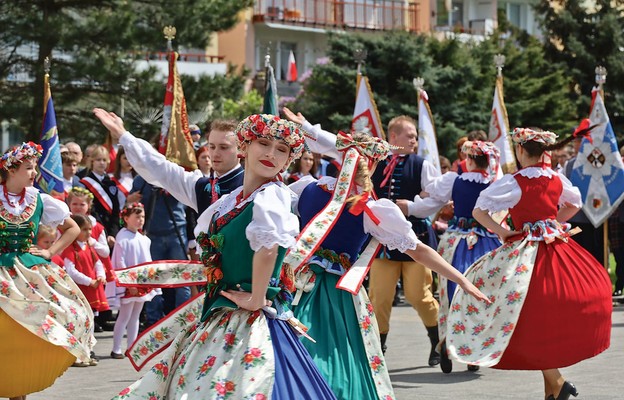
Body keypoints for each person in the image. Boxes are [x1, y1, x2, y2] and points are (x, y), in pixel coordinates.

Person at [94, 109, 337, 399]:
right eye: (212, 147)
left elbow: (269, 244)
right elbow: (160, 169)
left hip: (252, 318)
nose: (271, 153)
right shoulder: (223, 198)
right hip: (221, 313)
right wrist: (124, 136)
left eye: (281, 149)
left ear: (239, 148)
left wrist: (257, 298)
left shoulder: (277, 193)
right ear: (247, 147)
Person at [281, 121, 489, 399]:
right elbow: (418, 249)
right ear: (374, 166)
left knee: (292, 353)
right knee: (334, 362)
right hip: (335, 295)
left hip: (294, 283)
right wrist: (461, 279)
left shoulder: (307, 188)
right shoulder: (368, 208)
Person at [447, 127, 612, 400]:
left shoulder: (514, 181)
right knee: (541, 316)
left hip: (525, 254)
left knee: (525, 317)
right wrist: (554, 221)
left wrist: (501, 231)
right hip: (557, 248)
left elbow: (479, 210)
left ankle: (557, 383)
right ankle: (553, 390)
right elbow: (575, 203)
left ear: (521, 150)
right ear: (543, 151)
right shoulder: (556, 179)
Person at [0, 142, 93, 400]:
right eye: (28, 168)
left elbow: (72, 228)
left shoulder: (38, 199)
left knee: (34, 327)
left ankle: (19, 390)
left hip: (28, 271)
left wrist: (51, 253)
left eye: (35, 168)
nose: (33, 173)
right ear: (10, 170)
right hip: (1, 270)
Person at [417, 140, 502, 373]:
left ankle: (446, 344)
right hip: (487, 242)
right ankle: (473, 350)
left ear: (470, 160)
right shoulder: (494, 184)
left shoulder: (454, 179)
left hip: (457, 242)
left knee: (450, 294)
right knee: (482, 294)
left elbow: (431, 191)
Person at [368, 115, 442, 366]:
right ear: (393, 137)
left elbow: (437, 198)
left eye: (415, 136)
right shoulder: (376, 161)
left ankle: (438, 341)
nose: (414, 140)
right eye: (409, 135)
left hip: (415, 238)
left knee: (418, 295)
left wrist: (410, 206)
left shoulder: (421, 164)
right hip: (382, 241)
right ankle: (379, 348)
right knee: (379, 297)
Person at [110, 202, 158, 359]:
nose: (141, 220)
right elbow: (120, 262)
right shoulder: (122, 238)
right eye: (137, 217)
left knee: (136, 315)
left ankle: (131, 347)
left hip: (141, 281)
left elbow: (147, 260)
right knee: (124, 315)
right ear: (126, 218)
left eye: (142, 216)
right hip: (129, 283)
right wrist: (128, 283)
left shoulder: (144, 239)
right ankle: (116, 348)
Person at [79, 145, 123, 246]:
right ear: (92, 161)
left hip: (111, 231)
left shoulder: (111, 183)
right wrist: (104, 233)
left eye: (104, 160)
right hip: (95, 228)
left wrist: (113, 233)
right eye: (98, 159)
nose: (101, 163)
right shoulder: (86, 182)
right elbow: (92, 210)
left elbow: (116, 210)